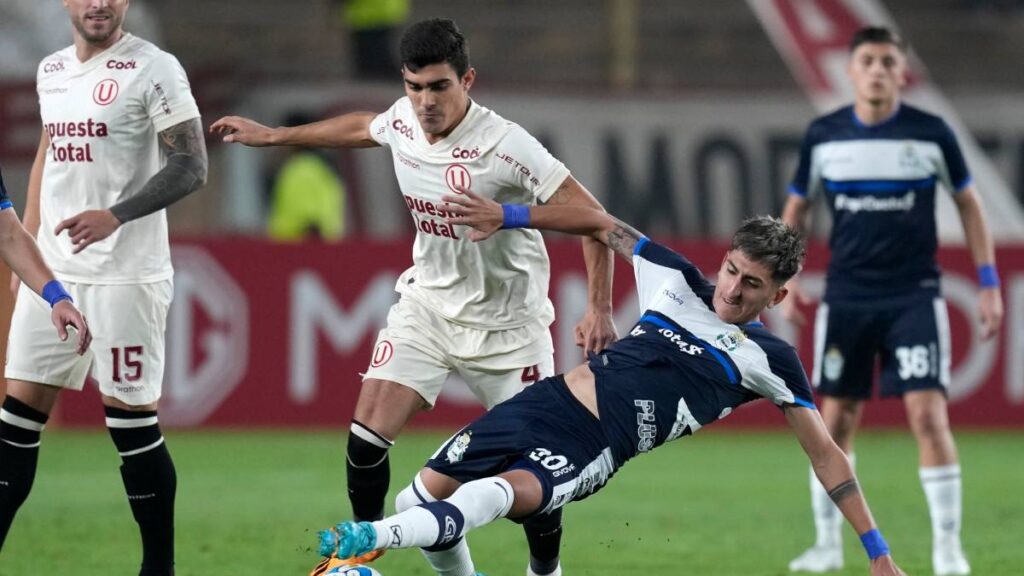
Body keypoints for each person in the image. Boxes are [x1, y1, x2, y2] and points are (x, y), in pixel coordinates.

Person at [313, 189, 907, 576]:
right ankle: (396, 528)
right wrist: (516, 223)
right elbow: (598, 223)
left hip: (594, 443)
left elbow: (826, 454)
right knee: (418, 497)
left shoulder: (770, 360)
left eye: (751, 285)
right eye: (731, 270)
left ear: (777, 295)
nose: (731, 289)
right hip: (544, 402)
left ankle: (365, 541)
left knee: (485, 499)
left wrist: (877, 553)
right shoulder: (672, 277)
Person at [211, 18, 616, 576]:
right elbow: (367, 127)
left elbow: (595, 220)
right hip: (427, 308)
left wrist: (598, 307)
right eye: (414, 86)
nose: (425, 102)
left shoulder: (506, 146)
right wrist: (275, 136)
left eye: (439, 87)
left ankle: (545, 569)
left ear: (467, 80)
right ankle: (360, 558)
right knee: (365, 436)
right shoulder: (403, 118)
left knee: (536, 477)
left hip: (509, 330)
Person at [781, 27, 1001, 576]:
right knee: (836, 419)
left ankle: (948, 551)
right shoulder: (825, 136)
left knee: (927, 416)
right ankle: (828, 544)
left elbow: (970, 204)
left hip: (913, 297)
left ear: (902, 72)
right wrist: (786, 274)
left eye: (887, 61)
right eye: (868, 61)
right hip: (847, 297)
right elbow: (797, 207)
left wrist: (990, 280)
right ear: (851, 72)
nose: (877, 70)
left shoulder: (931, 135)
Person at [0, 1, 207, 574]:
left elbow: (192, 165)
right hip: (58, 277)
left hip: (127, 277)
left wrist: (116, 214)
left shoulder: (154, 67)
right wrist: (33, 258)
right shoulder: (51, 71)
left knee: (130, 427)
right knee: (15, 419)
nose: (98, 4)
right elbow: (48, 156)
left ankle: (157, 568)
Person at [267, 112, 348, 241]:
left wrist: (309, 255)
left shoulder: (302, 169)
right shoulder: (321, 167)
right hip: (314, 248)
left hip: (297, 249)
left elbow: (312, 222)